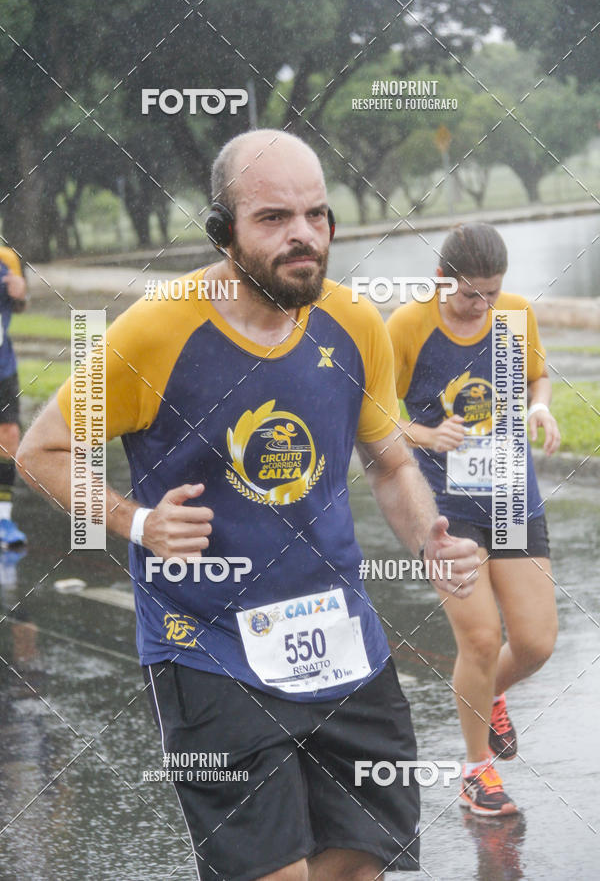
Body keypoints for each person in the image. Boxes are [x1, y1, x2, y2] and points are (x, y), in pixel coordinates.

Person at [17, 130, 479, 881]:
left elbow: (391, 460)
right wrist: (138, 523)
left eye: (316, 214)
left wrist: (430, 537)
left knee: (361, 862)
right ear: (221, 231)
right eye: (273, 217)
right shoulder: (155, 331)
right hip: (208, 649)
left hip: (342, 644)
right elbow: (42, 449)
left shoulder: (356, 324)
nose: (303, 234)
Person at [386, 223, 559, 817]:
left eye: (492, 292)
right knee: (482, 639)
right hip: (445, 509)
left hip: (512, 498)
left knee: (534, 642)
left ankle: (489, 694)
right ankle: (475, 771)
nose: (482, 305)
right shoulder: (407, 326)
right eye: (469, 294)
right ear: (441, 280)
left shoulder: (514, 314)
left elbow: (538, 375)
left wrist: (539, 407)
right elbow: (371, 412)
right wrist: (426, 434)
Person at [0, 246, 27, 547]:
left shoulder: (6, 258)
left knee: (8, 436)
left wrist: (20, 294)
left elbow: (19, 305)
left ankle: (3, 519)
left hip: (2, 367)